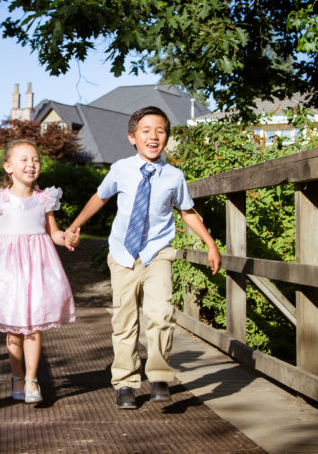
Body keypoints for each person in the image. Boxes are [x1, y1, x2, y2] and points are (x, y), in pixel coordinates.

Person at [65, 106, 221, 409]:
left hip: (158, 253)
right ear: (132, 137)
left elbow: (186, 211)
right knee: (125, 319)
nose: (153, 136)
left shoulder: (174, 176)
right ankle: (125, 382)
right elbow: (101, 197)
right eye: (146, 130)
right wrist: (74, 225)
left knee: (161, 313)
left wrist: (210, 243)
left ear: (166, 138)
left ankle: (159, 375)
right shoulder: (121, 169)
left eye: (160, 130)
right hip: (123, 254)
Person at [0, 139, 80, 404]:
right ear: (9, 167)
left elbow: (54, 234)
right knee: (13, 330)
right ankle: (16, 376)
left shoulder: (44, 200)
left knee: (33, 327)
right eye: (24, 159)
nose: (31, 164)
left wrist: (68, 238)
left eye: (35, 160)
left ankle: (31, 380)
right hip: (10, 273)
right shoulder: (0, 199)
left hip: (38, 271)